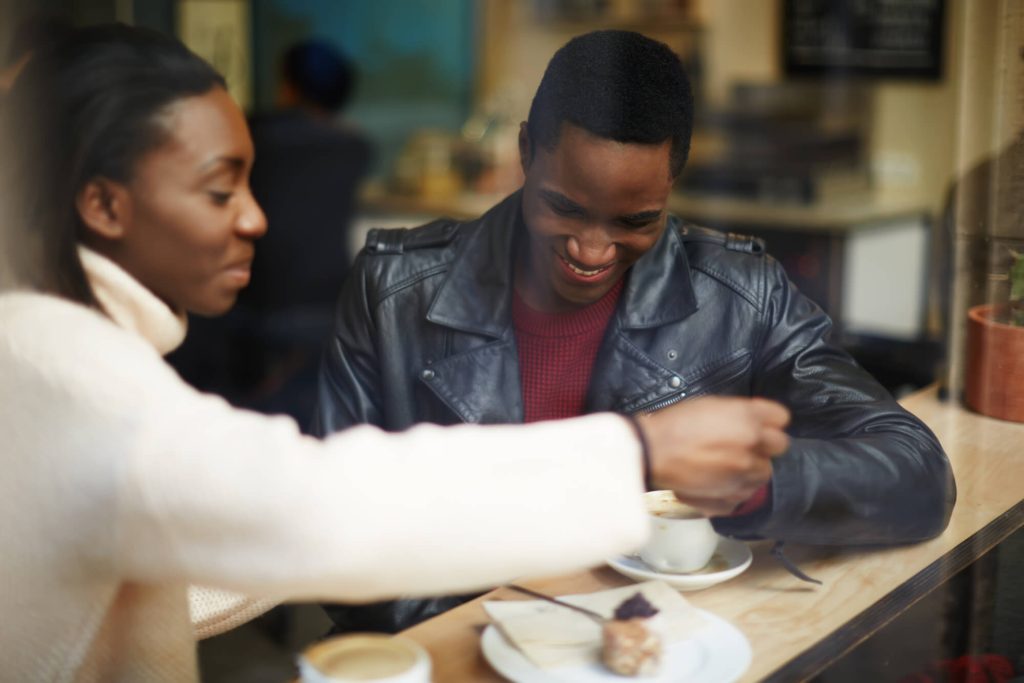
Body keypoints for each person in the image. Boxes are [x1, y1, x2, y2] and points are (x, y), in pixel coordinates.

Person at [0, 24, 793, 681]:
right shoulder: (65, 371)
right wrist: (639, 450)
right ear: (102, 204)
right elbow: (310, 506)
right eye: (219, 190)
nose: (256, 221)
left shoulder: (54, 342)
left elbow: (185, 541)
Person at [313, 30, 957, 632]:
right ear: (524, 153)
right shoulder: (393, 293)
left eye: (634, 221)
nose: (592, 250)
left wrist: (755, 483)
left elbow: (920, 477)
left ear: (671, 183)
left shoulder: (740, 295)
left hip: (660, 647)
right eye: (563, 206)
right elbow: (331, 536)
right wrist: (510, 631)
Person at [168, 40, 373, 427]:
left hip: (256, 309)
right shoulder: (356, 148)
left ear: (287, 86)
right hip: (330, 308)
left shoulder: (252, 138)